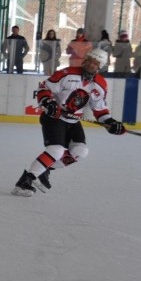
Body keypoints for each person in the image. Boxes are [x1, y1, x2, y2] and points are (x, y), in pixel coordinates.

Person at [11, 49, 126, 197]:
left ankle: (44, 170)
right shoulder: (67, 73)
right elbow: (44, 89)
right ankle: (24, 182)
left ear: (100, 67)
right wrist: (49, 102)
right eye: (90, 60)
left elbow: (100, 110)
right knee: (56, 150)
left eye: (95, 63)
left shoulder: (100, 85)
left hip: (73, 121)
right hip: (54, 118)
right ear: (85, 60)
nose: (91, 64)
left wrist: (111, 123)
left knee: (80, 151)